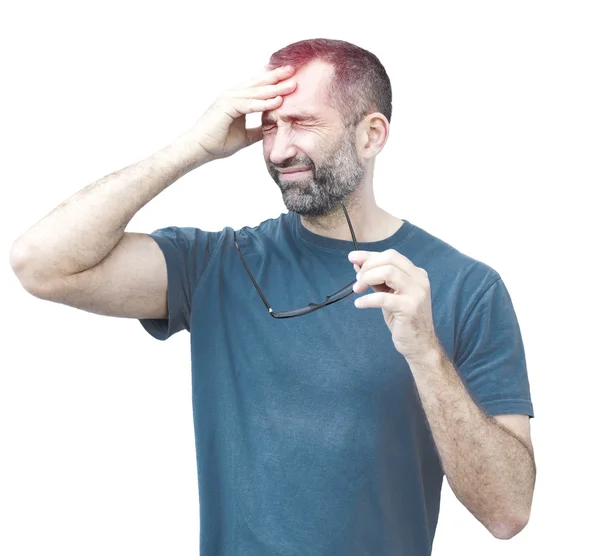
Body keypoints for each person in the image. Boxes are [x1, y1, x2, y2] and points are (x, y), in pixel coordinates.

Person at [10, 38, 536, 555]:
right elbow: (41, 263)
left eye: (303, 123)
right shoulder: (216, 264)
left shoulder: (466, 288)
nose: (280, 150)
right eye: (270, 126)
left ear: (372, 135)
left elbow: (508, 513)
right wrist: (193, 147)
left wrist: (425, 351)